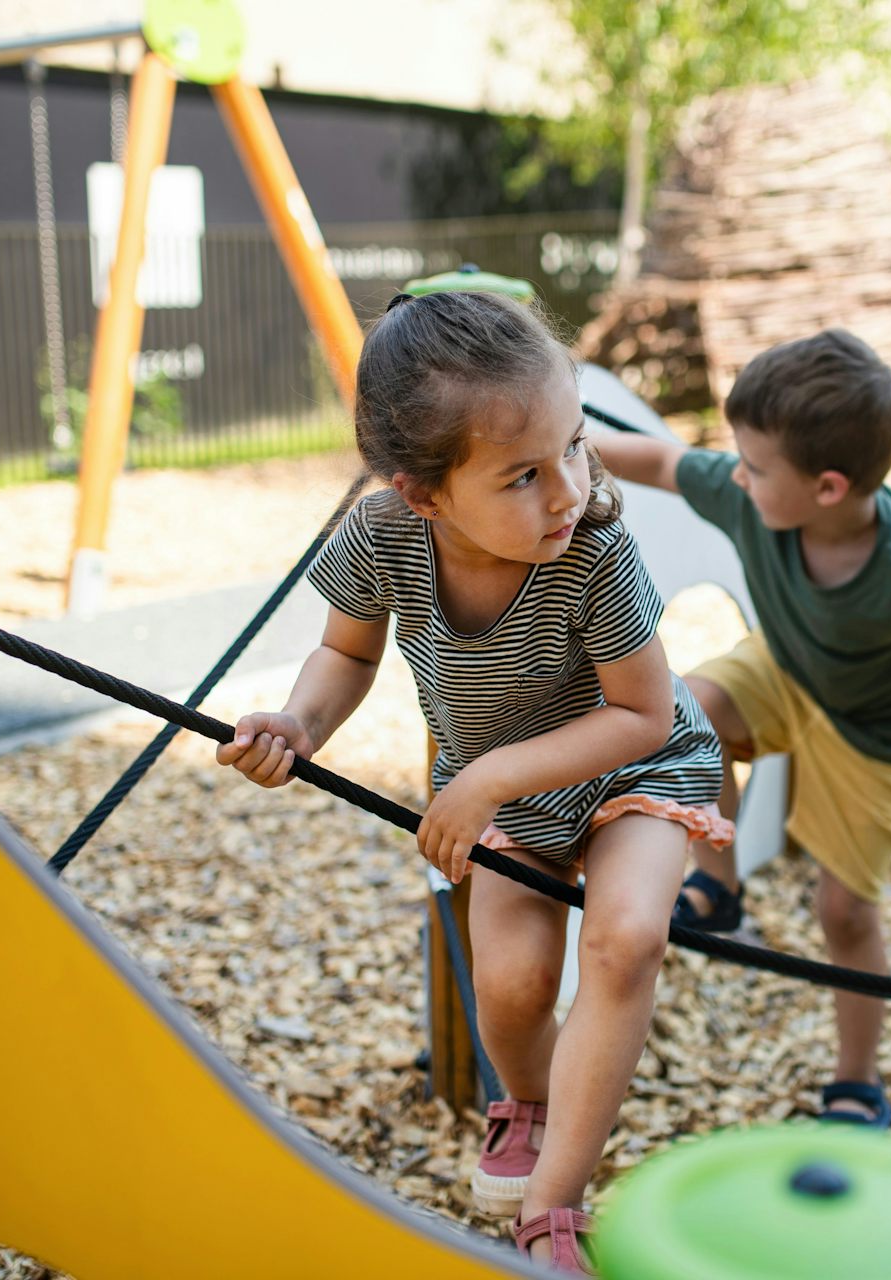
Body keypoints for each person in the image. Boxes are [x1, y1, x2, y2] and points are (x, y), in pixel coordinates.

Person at [217, 290, 730, 1273]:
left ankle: (555, 1201)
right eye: (524, 474)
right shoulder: (382, 538)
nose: (567, 490)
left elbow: (644, 713)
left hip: (635, 764)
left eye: (575, 447)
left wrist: (488, 774)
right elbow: (346, 655)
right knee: (513, 979)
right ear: (422, 493)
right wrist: (297, 722)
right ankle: (528, 1099)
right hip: (511, 798)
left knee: (625, 939)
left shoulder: (594, 549)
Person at [595, 329, 891, 1128]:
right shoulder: (753, 494)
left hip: (876, 738)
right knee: (683, 710)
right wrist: (566, 441)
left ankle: (858, 1079)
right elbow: (658, 462)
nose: (738, 475)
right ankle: (717, 887)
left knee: (842, 913)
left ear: (828, 488)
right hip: (789, 668)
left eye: (755, 466)